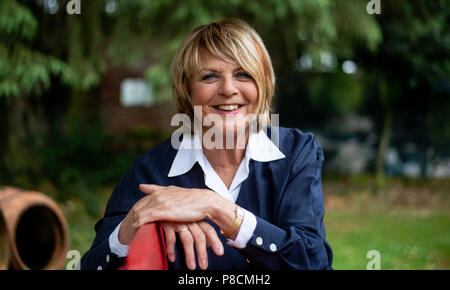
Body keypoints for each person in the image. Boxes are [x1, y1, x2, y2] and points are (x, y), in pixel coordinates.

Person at [80, 19, 333, 270]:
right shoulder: (151, 170)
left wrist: (215, 207)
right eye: (210, 76)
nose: (228, 89)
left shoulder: (296, 152)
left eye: (243, 74)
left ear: (263, 83)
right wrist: (133, 224)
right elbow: (89, 266)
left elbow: (313, 261)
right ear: (187, 90)